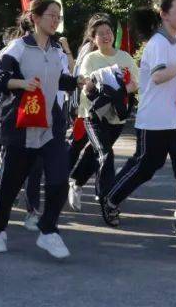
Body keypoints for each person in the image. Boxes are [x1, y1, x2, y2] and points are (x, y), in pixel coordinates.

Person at [102, 0, 176, 254]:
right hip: (155, 121)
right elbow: (158, 77)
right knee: (145, 167)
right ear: (164, 14)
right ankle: (111, 197)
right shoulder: (158, 44)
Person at [0, 0, 80, 259]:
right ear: (35, 18)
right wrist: (21, 83)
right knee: (11, 184)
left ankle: (48, 230)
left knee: (60, 179)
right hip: (22, 125)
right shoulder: (19, 47)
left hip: (50, 124)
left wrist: (78, 81)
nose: (56, 20)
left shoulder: (57, 50)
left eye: (58, 16)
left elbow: (59, 79)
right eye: (51, 15)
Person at [68, 14, 137, 212]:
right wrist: (99, 87)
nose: (106, 36)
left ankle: (76, 181)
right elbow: (87, 84)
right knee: (105, 153)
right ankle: (106, 196)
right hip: (93, 114)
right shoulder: (90, 58)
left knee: (94, 152)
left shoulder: (124, 56)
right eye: (100, 34)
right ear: (93, 38)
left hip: (117, 115)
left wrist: (119, 91)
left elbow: (135, 82)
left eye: (108, 32)